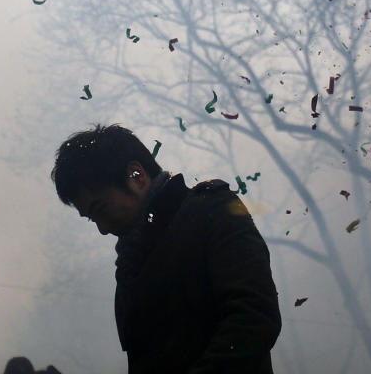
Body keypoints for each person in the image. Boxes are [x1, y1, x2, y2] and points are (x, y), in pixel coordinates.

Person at [50, 124, 282, 374]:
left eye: (101, 209)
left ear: (136, 176)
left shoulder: (211, 210)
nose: (103, 229)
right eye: (92, 218)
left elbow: (253, 319)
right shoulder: (131, 262)